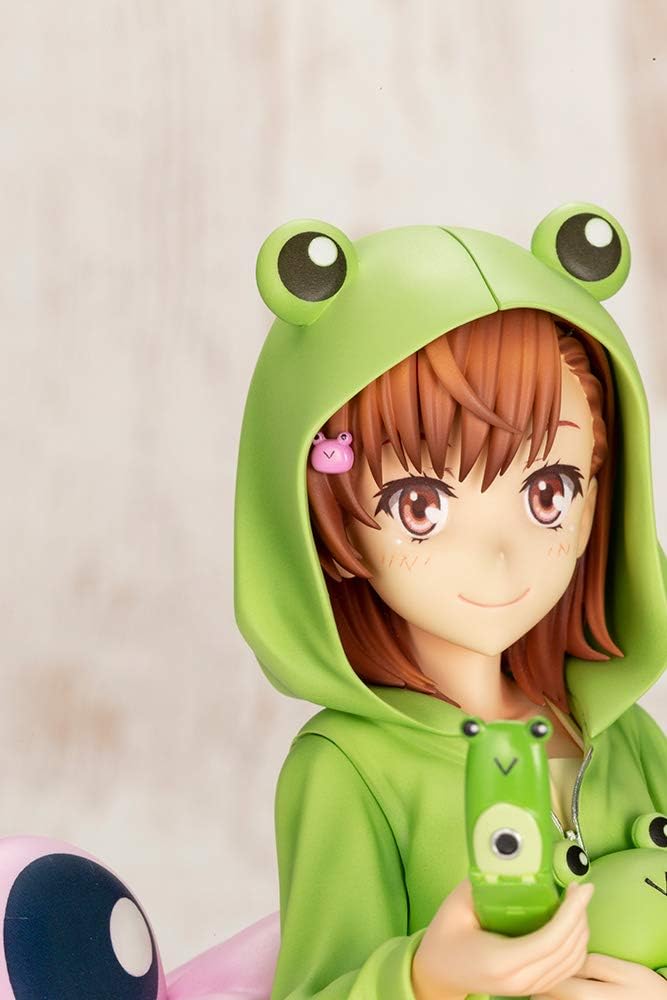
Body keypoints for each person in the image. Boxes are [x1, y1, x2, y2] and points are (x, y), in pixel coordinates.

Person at [235, 206, 667, 999]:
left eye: (548, 492)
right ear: (330, 525)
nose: (498, 555)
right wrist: (424, 977)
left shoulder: (625, 735)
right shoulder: (348, 768)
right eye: (420, 507)